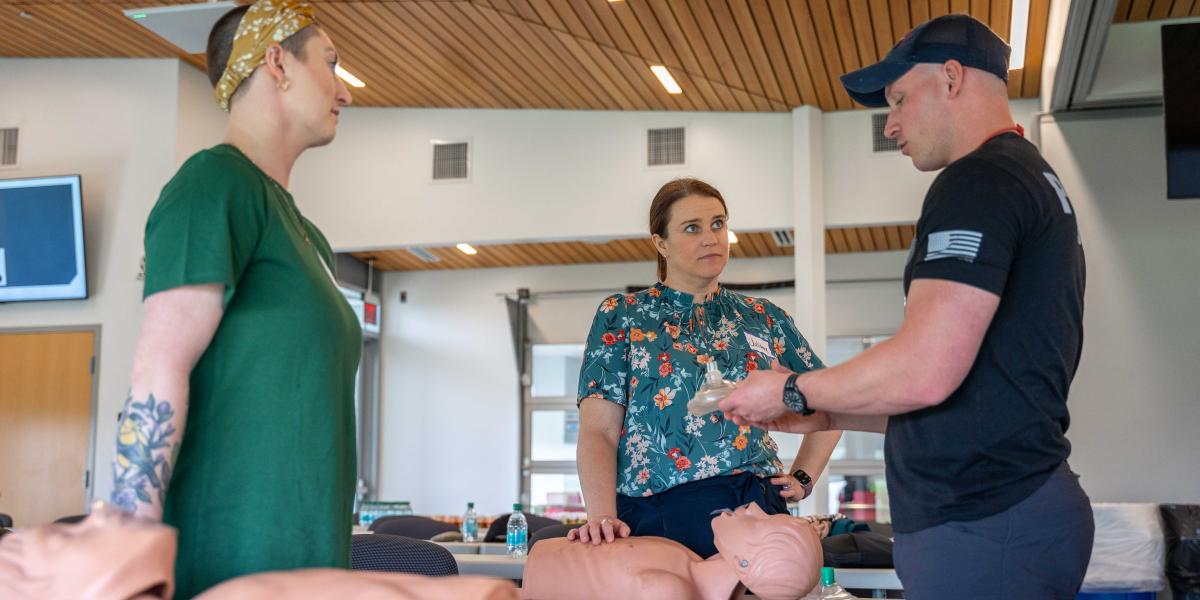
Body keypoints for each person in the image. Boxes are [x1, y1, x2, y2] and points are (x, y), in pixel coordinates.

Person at [718, 14, 1093, 599]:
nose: (889, 124)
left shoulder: (980, 180)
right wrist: (827, 413)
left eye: (897, 99)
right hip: (999, 516)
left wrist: (793, 389)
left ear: (950, 77)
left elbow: (924, 369)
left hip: (987, 521)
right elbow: (966, 395)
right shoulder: (1027, 178)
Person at [109, 1, 360, 597]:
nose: (344, 93)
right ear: (277, 62)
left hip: (306, 564)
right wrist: (123, 557)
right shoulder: (213, 184)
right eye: (331, 63)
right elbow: (155, 372)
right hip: (222, 564)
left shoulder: (306, 234)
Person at [570, 177, 842, 558]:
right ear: (660, 242)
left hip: (756, 509)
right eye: (692, 228)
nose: (711, 237)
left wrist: (803, 477)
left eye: (718, 224)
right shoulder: (623, 315)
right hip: (656, 516)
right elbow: (599, 431)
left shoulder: (764, 317)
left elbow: (832, 401)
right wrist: (601, 516)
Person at [526, 502, 821, 600]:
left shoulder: (672, 590)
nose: (755, 507)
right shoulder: (686, 561)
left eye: (761, 523)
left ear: (745, 562)